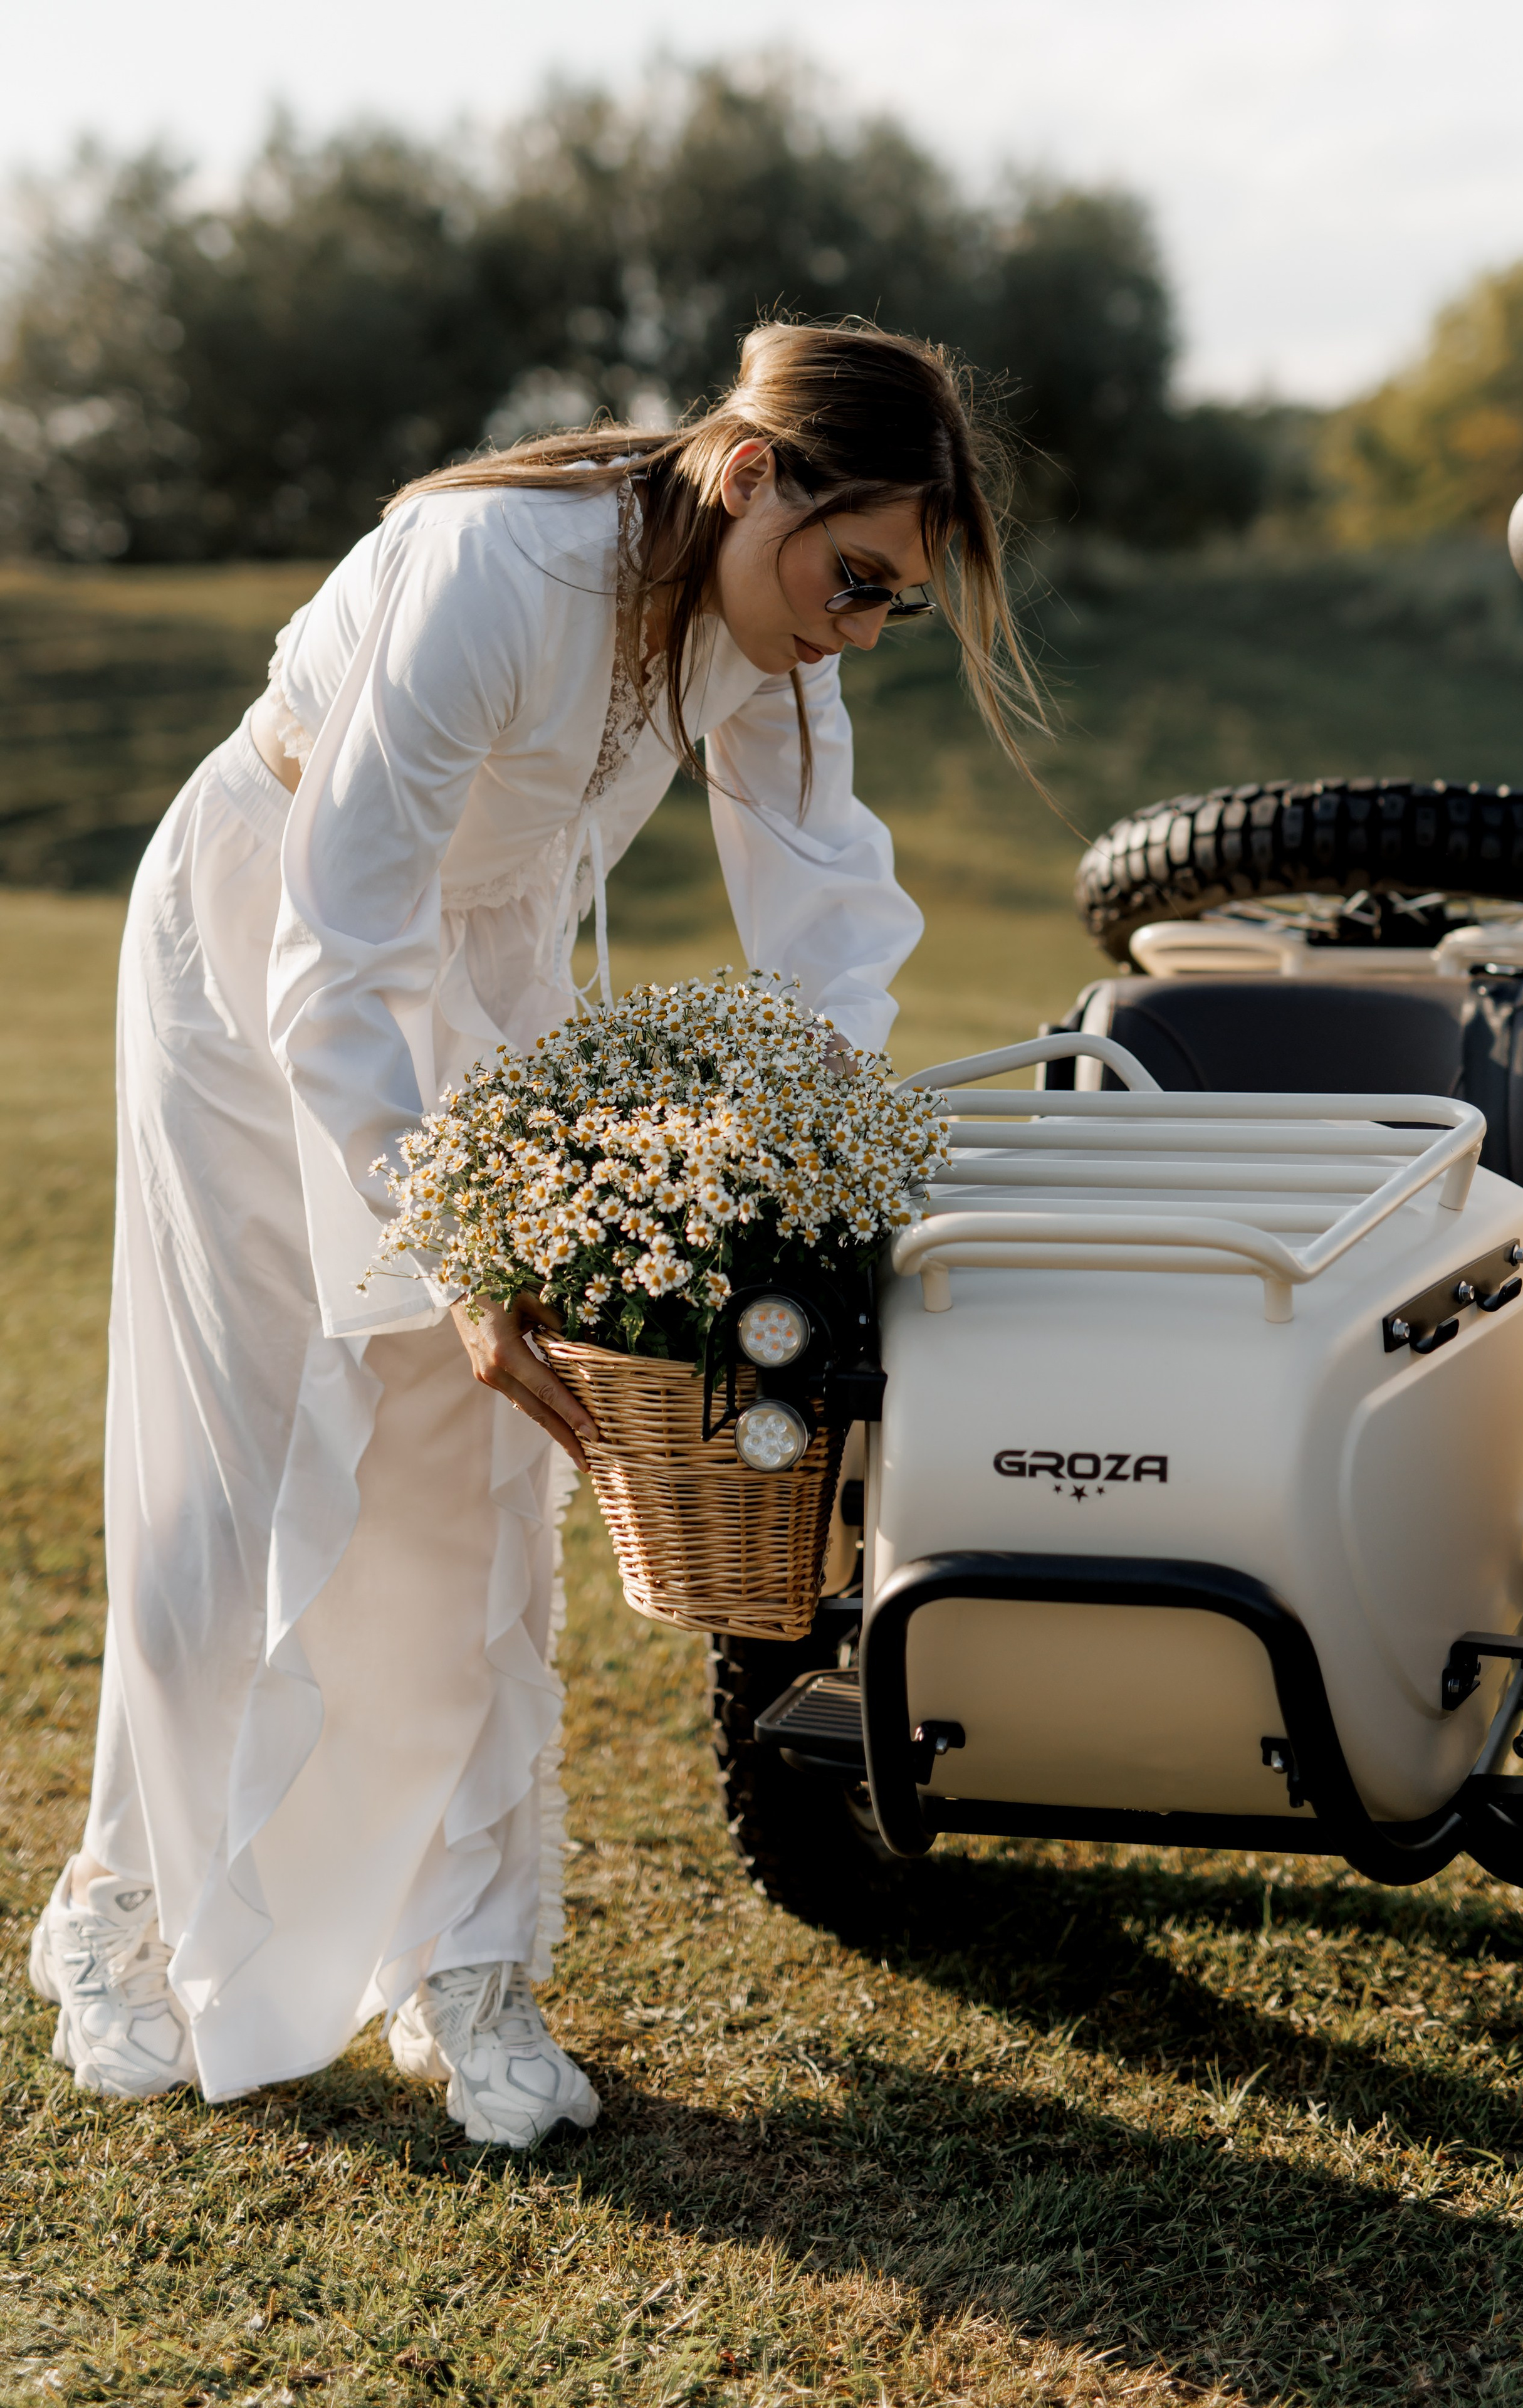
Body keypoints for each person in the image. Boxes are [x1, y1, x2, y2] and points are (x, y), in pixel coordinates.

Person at [29, 318, 1044, 2145]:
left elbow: (826, 905)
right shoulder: (497, 567)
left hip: (481, 974)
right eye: (857, 576)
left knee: (481, 1474)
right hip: (262, 948)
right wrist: (465, 1261)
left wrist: (811, 1169)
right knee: (240, 1452)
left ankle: (465, 1958)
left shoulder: (770, 639)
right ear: (753, 475)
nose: (864, 628)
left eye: (895, 599)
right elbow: (340, 944)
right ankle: (122, 1910)